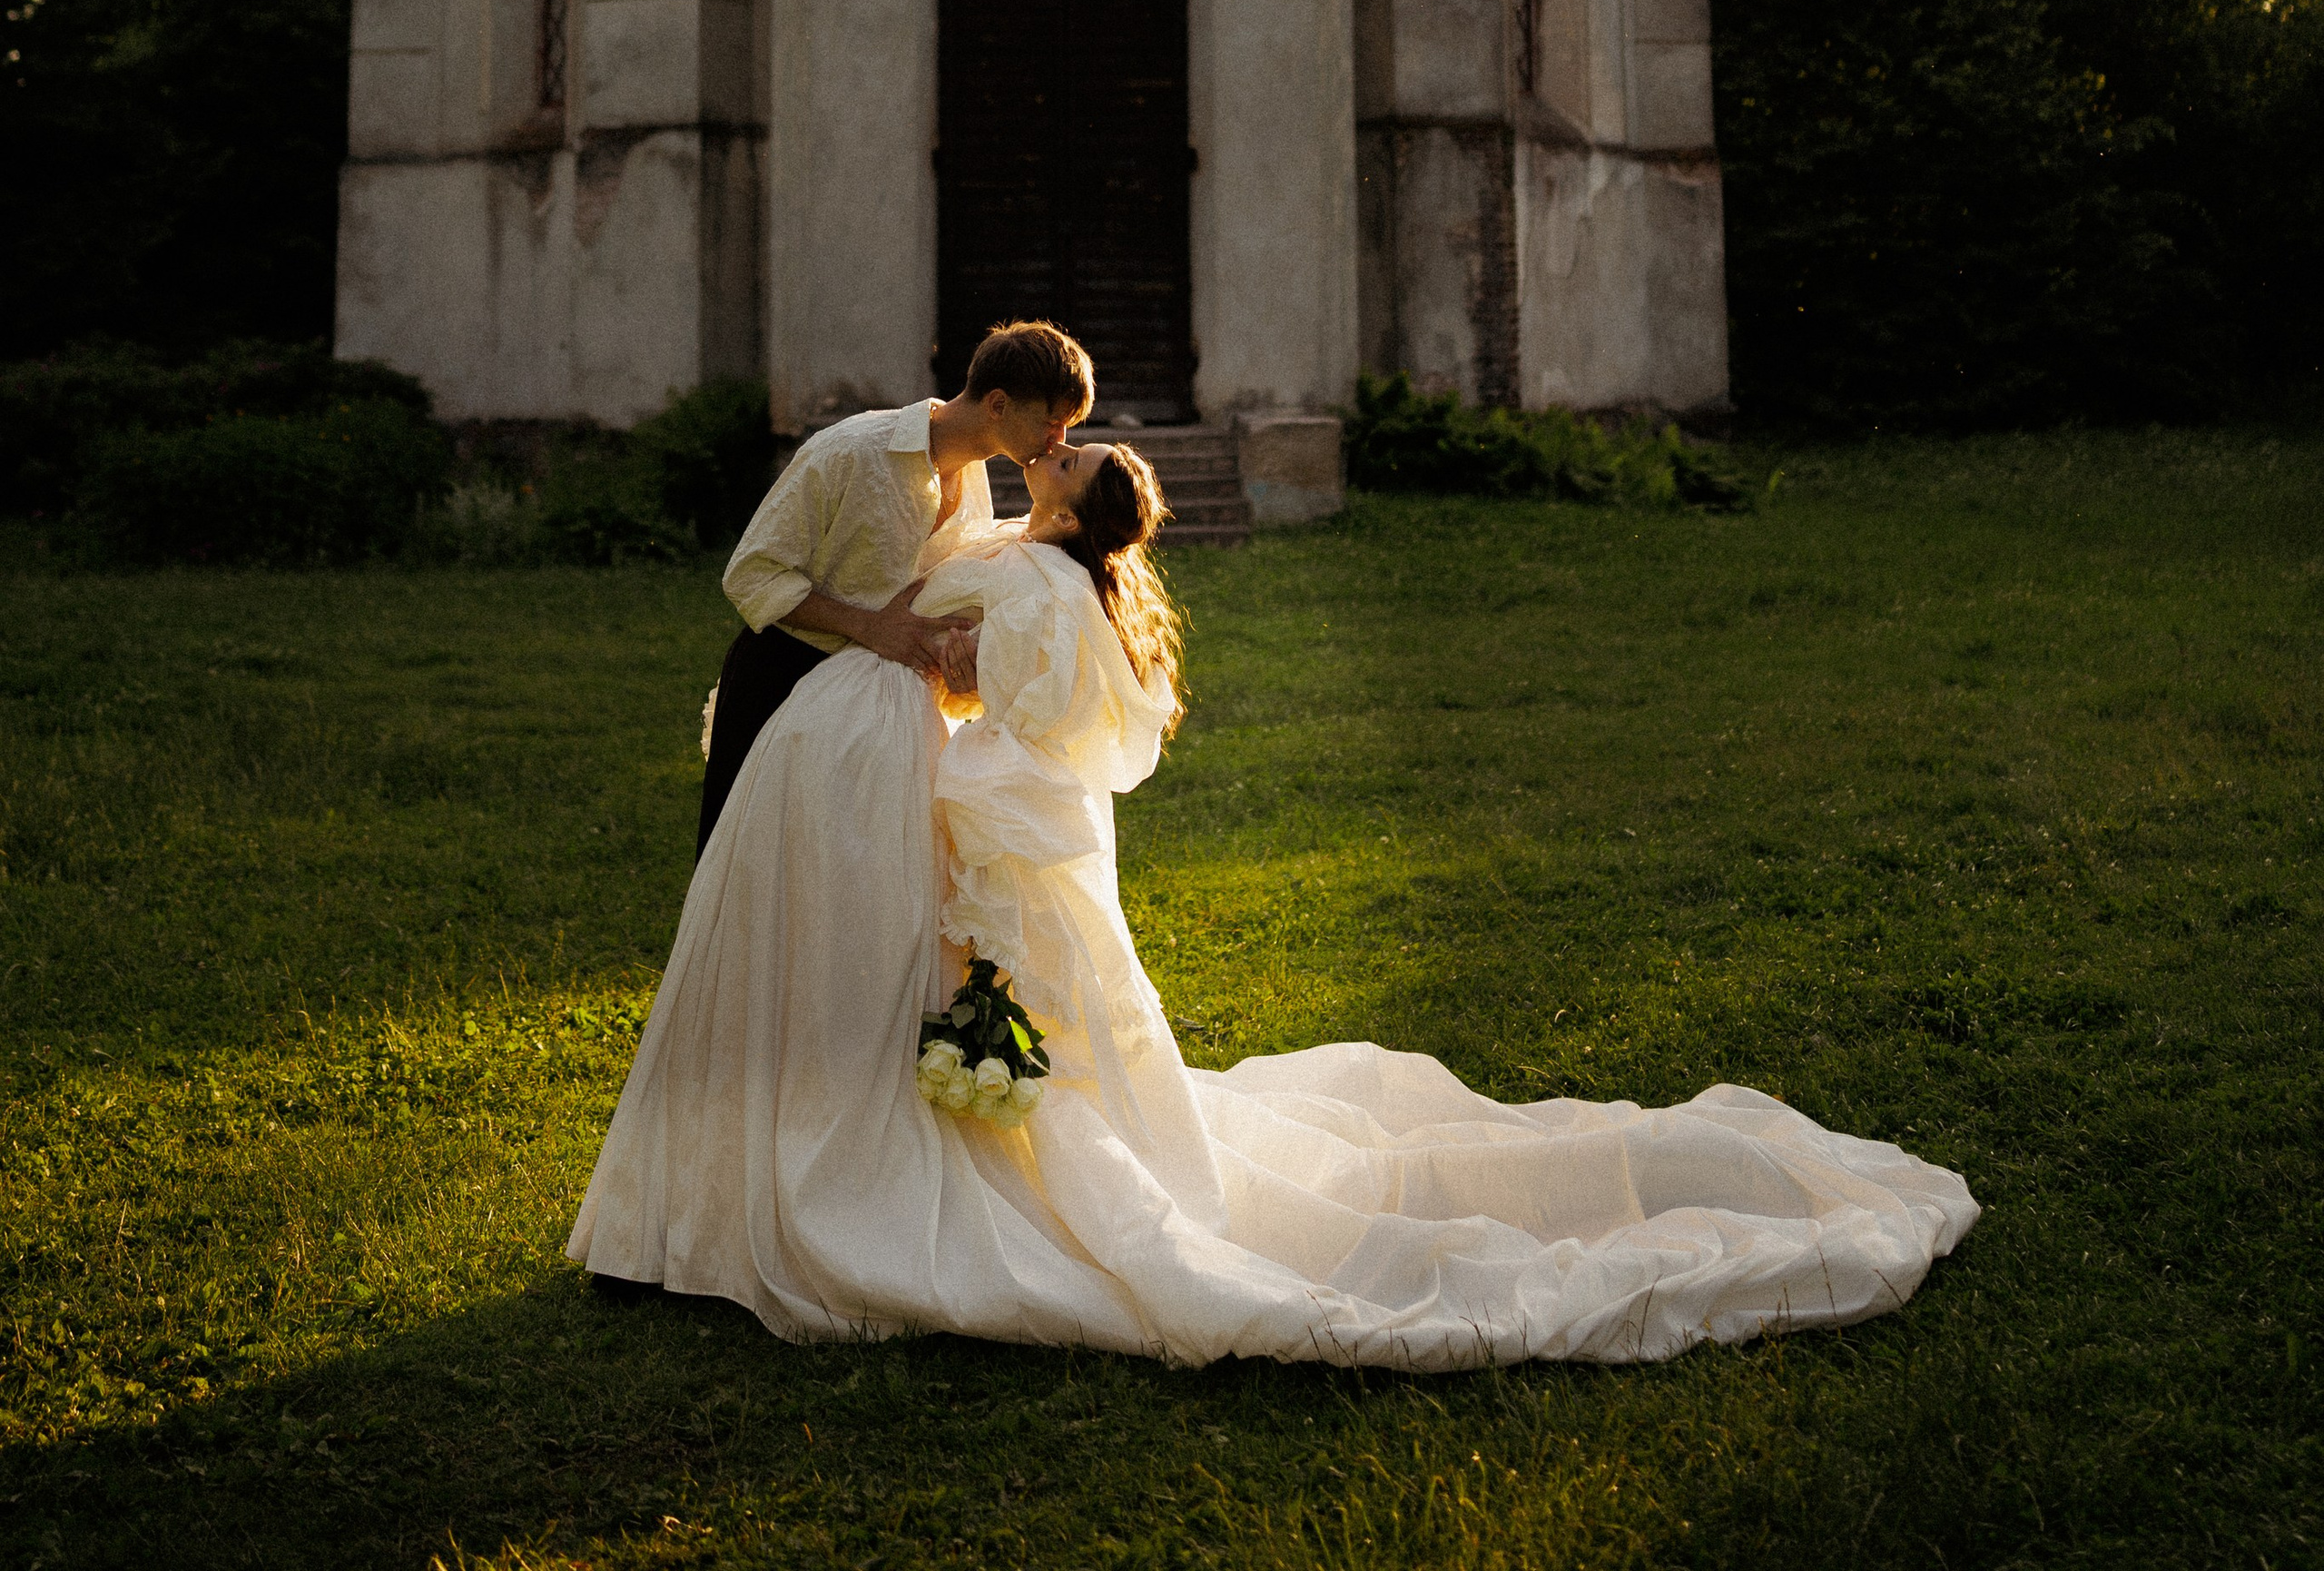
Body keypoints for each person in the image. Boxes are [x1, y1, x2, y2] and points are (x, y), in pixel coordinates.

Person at [572, 403, 1978, 1365]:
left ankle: (944, 1166)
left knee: (1012, 1044)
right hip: (1030, 837)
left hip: (994, 839)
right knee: (1042, 1036)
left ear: (1073, 503)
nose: (1053, 454)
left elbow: (958, 664)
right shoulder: (1071, 581)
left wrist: (920, 688)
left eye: (1070, 455)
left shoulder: (1028, 582)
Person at [692, 320, 1089, 858]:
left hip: (875, 723)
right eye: (1052, 421)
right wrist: (870, 626)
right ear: (998, 404)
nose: (1059, 439)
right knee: (758, 874)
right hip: (781, 679)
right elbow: (751, 573)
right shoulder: (850, 451)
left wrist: (961, 666)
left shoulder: (974, 480)